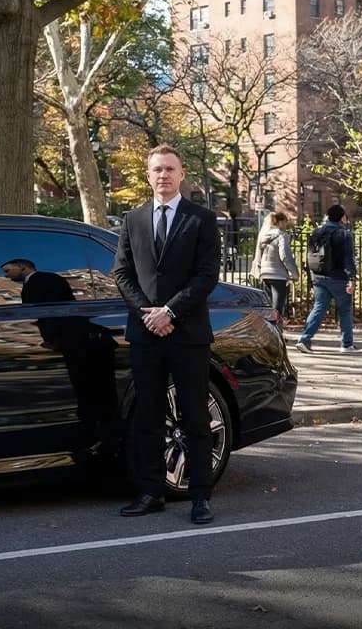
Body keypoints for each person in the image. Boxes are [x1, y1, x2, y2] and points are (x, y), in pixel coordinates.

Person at [113, 144, 220, 526]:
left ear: (181, 174)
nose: (163, 176)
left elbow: (207, 275)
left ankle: (200, 497)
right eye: (157, 170)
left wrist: (171, 312)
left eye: (170, 169)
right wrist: (148, 313)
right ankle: (151, 492)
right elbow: (122, 273)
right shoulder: (132, 219)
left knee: (194, 417)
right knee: (148, 416)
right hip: (145, 334)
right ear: (148, 175)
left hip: (187, 333)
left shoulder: (202, 219)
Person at [297, 204, 359, 353]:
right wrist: (352, 278)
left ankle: (304, 339)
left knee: (319, 307)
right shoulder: (344, 234)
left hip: (318, 275)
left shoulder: (317, 232)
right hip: (338, 277)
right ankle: (346, 344)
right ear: (342, 217)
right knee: (344, 309)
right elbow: (348, 259)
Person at [250, 211, 300, 321]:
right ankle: (277, 333)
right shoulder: (282, 236)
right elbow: (285, 256)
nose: (286, 225)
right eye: (286, 222)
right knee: (277, 309)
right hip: (278, 275)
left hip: (264, 274)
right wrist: (295, 273)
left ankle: (270, 332)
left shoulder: (263, 235)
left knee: (269, 309)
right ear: (280, 222)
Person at [1, 258, 75, 303]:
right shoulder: (29, 284)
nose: (5, 275)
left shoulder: (47, 279)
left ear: (22, 267)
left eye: (7, 271)